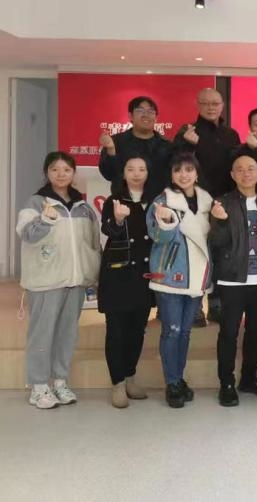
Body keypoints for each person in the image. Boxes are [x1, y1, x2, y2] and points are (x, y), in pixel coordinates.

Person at [17, 151, 101, 409]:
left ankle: (60, 381)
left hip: (75, 281)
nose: (61, 174)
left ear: (74, 173)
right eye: (55, 169)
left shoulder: (83, 207)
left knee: (67, 334)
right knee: (42, 335)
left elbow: (92, 243)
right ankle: (38, 386)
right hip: (46, 280)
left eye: (66, 169)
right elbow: (26, 234)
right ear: (47, 173)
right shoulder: (36, 202)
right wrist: (45, 219)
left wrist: (92, 274)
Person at [147, 153, 213, 408]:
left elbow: (212, 239)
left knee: (185, 332)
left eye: (188, 169)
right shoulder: (162, 201)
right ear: (171, 174)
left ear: (196, 173)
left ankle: (178, 378)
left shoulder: (207, 201)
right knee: (172, 331)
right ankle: (172, 382)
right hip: (170, 276)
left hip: (198, 276)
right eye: (178, 170)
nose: (183, 174)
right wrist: (165, 222)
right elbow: (156, 237)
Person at [209, 154, 257, 407]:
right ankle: (226, 383)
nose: (246, 173)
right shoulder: (222, 203)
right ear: (232, 175)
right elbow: (216, 242)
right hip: (233, 279)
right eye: (240, 169)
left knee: (256, 330)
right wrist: (221, 221)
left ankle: (249, 378)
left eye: (250, 169)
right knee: (229, 332)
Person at [173, 88, 240, 326]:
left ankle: (216, 304)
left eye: (215, 103)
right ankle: (194, 307)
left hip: (226, 202)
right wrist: (188, 145)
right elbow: (177, 165)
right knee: (196, 252)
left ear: (222, 105)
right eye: (205, 103)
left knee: (221, 252)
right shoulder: (188, 131)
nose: (211, 108)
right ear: (197, 105)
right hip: (196, 202)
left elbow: (237, 166)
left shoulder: (231, 134)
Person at [97, 156, 155, 408]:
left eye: (142, 169)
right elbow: (108, 230)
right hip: (118, 274)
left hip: (144, 275)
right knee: (116, 331)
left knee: (137, 330)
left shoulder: (154, 201)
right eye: (131, 169)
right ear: (123, 173)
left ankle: (130, 376)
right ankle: (117, 383)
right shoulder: (114, 201)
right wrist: (119, 219)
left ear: (148, 173)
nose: (136, 173)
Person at [98, 96, 173, 200]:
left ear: (156, 118)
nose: (146, 115)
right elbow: (108, 174)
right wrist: (111, 150)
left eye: (150, 111)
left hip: (158, 204)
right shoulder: (116, 142)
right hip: (124, 203)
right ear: (130, 116)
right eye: (140, 111)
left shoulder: (167, 146)